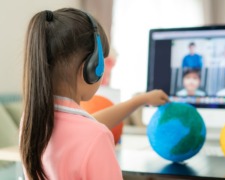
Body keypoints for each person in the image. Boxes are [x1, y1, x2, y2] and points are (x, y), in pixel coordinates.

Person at [20, 8, 168, 180]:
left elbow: (85, 128)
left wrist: (140, 100)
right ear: (92, 69)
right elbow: (91, 133)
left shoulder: (31, 121)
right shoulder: (96, 137)